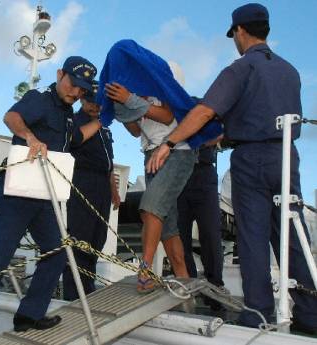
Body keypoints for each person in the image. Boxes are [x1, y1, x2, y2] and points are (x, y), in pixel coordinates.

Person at [147, 3, 317, 334]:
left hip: (251, 161)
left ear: (240, 31)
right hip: (286, 156)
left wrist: (169, 143)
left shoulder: (239, 69)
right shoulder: (290, 71)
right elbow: (260, 116)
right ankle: (310, 315)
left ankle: (258, 315)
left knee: (253, 237)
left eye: (234, 35)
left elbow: (204, 112)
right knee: (292, 234)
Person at [0, 56, 99, 345]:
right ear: (60, 74)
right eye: (73, 84)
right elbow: (11, 117)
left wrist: (101, 120)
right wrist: (30, 138)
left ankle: (29, 315)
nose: (76, 93)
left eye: (82, 90)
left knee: (57, 251)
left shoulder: (68, 114)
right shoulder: (40, 99)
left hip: (43, 193)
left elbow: (75, 139)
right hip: (17, 188)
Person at [105, 82, 196, 293]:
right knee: (168, 229)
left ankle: (144, 270)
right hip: (150, 156)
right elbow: (136, 131)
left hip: (176, 152)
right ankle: (186, 289)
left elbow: (167, 116)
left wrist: (130, 99)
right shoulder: (135, 94)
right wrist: (122, 108)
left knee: (150, 206)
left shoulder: (162, 88)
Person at [63, 80, 121, 300]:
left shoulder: (103, 127)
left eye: (99, 103)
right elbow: (72, 144)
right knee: (80, 238)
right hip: (82, 181)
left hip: (102, 186)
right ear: (83, 99)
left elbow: (109, 162)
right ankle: (73, 294)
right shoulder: (76, 122)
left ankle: (87, 290)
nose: (95, 106)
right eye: (92, 102)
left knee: (97, 239)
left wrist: (114, 191)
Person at [177, 145, 225, 310]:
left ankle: (215, 287)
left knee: (211, 234)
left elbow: (219, 133)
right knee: (180, 236)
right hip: (176, 173)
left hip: (204, 172)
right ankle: (188, 287)